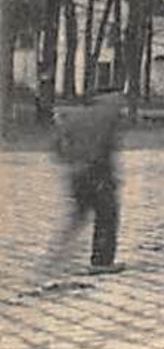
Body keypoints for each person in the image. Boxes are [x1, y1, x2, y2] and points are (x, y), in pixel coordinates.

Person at [46, 91, 125, 276]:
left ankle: (57, 255)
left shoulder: (76, 116)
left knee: (78, 217)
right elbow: (106, 149)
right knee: (107, 216)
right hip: (98, 175)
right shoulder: (108, 118)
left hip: (77, 174)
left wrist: (71, 162)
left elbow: (57, 146)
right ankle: (102, 262)